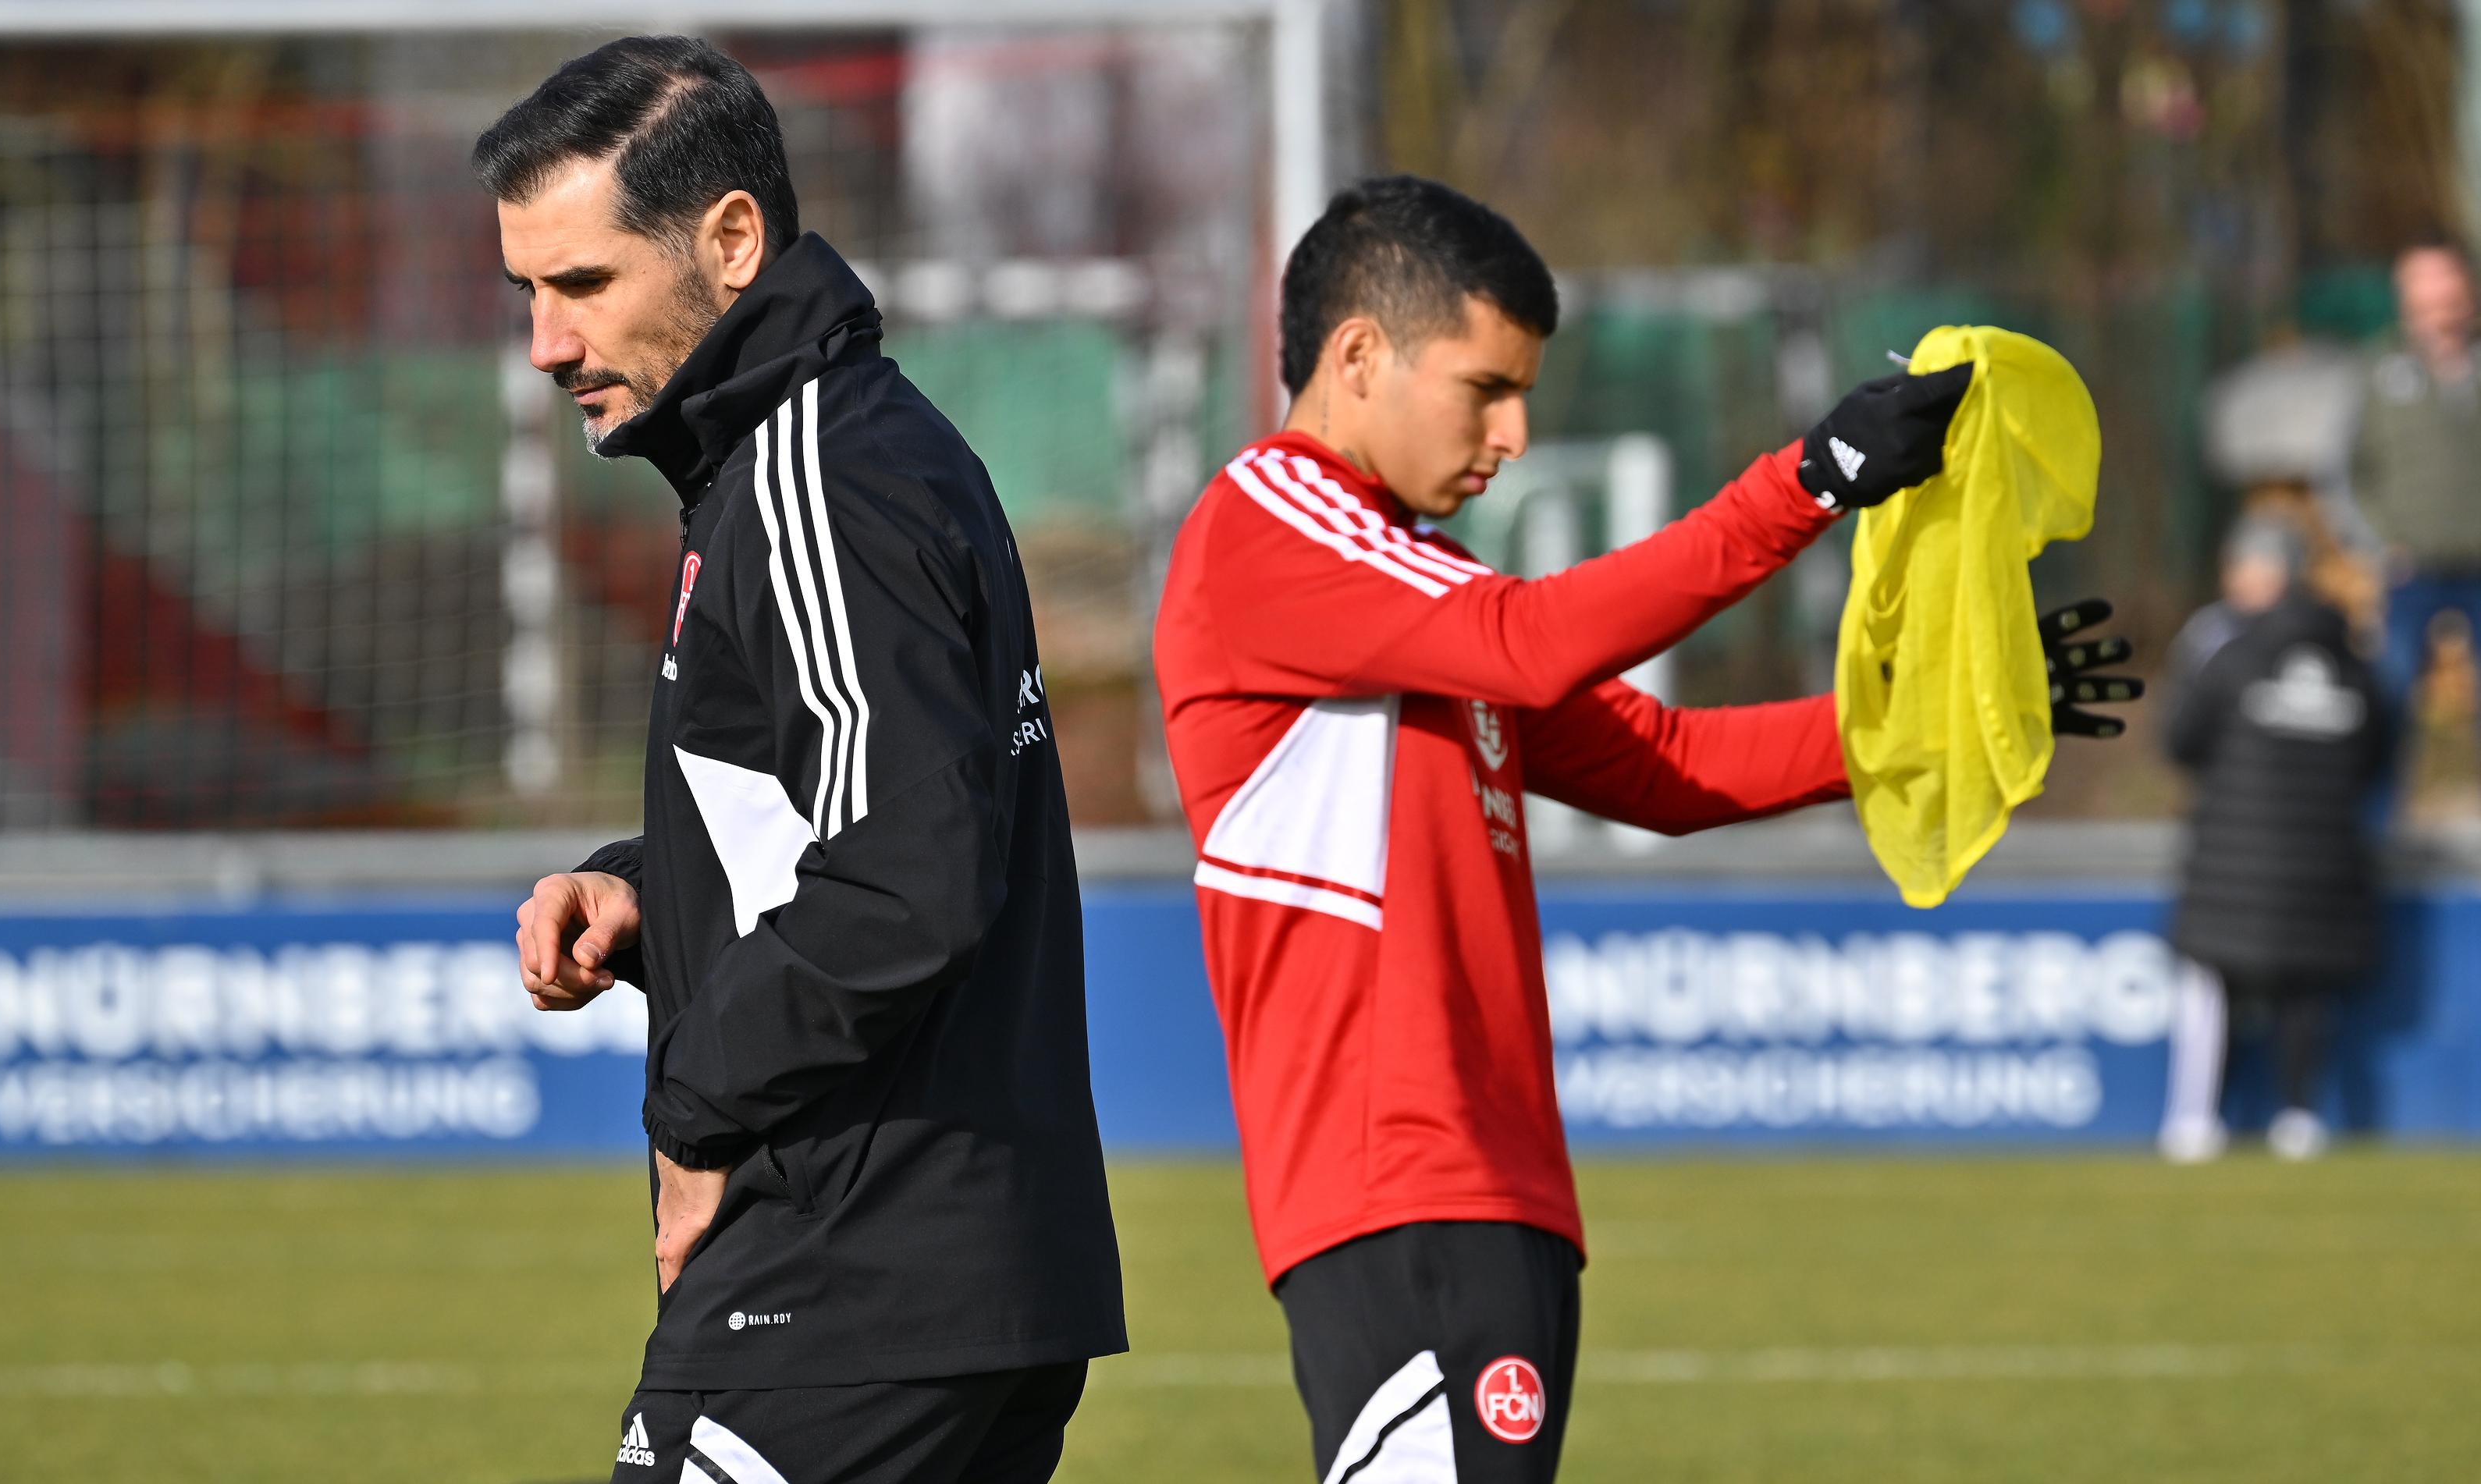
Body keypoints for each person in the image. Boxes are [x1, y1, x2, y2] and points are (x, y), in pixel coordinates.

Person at [1151, 175, 2142, 1484]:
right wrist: (1808, 480)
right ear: (1356, 356)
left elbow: (1663, 764)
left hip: (1491, 1195)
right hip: (1397, 1190)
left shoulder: (1399, 586)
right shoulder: (1271, 525)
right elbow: (1530, 638)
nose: (1513, 432)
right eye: (1484, 387)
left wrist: (1940, 714)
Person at [490, 37, 1125, 1483]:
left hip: (853, 1264)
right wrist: (651, 895)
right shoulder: (822, 458)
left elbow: (905, 878)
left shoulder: (814, 476)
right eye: (526, 291)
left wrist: (694, 1110)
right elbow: (863, 811)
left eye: (580, 284)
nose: (545, 342)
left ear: (728, 241)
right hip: (932, 1272)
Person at [2157, 517, 2390, 1164]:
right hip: (2326, 856)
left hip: (2230, 858)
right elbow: (2379, 752)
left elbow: (2180, 739)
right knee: (2307, 984)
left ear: (2273, 575)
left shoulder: (2221, 648)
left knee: (2213, 980)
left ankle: (2195, 1124)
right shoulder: (2352, 656)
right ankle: (2299, 1119)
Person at [2351, 240, 2481, 775]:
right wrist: (2378, 541)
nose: (2436, 297)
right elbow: (2344, 468)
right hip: (2409, 567)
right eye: (2421, 283)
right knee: (2391, 695)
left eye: (2444, 281)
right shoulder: (2378, 369)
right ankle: (2374, 829)